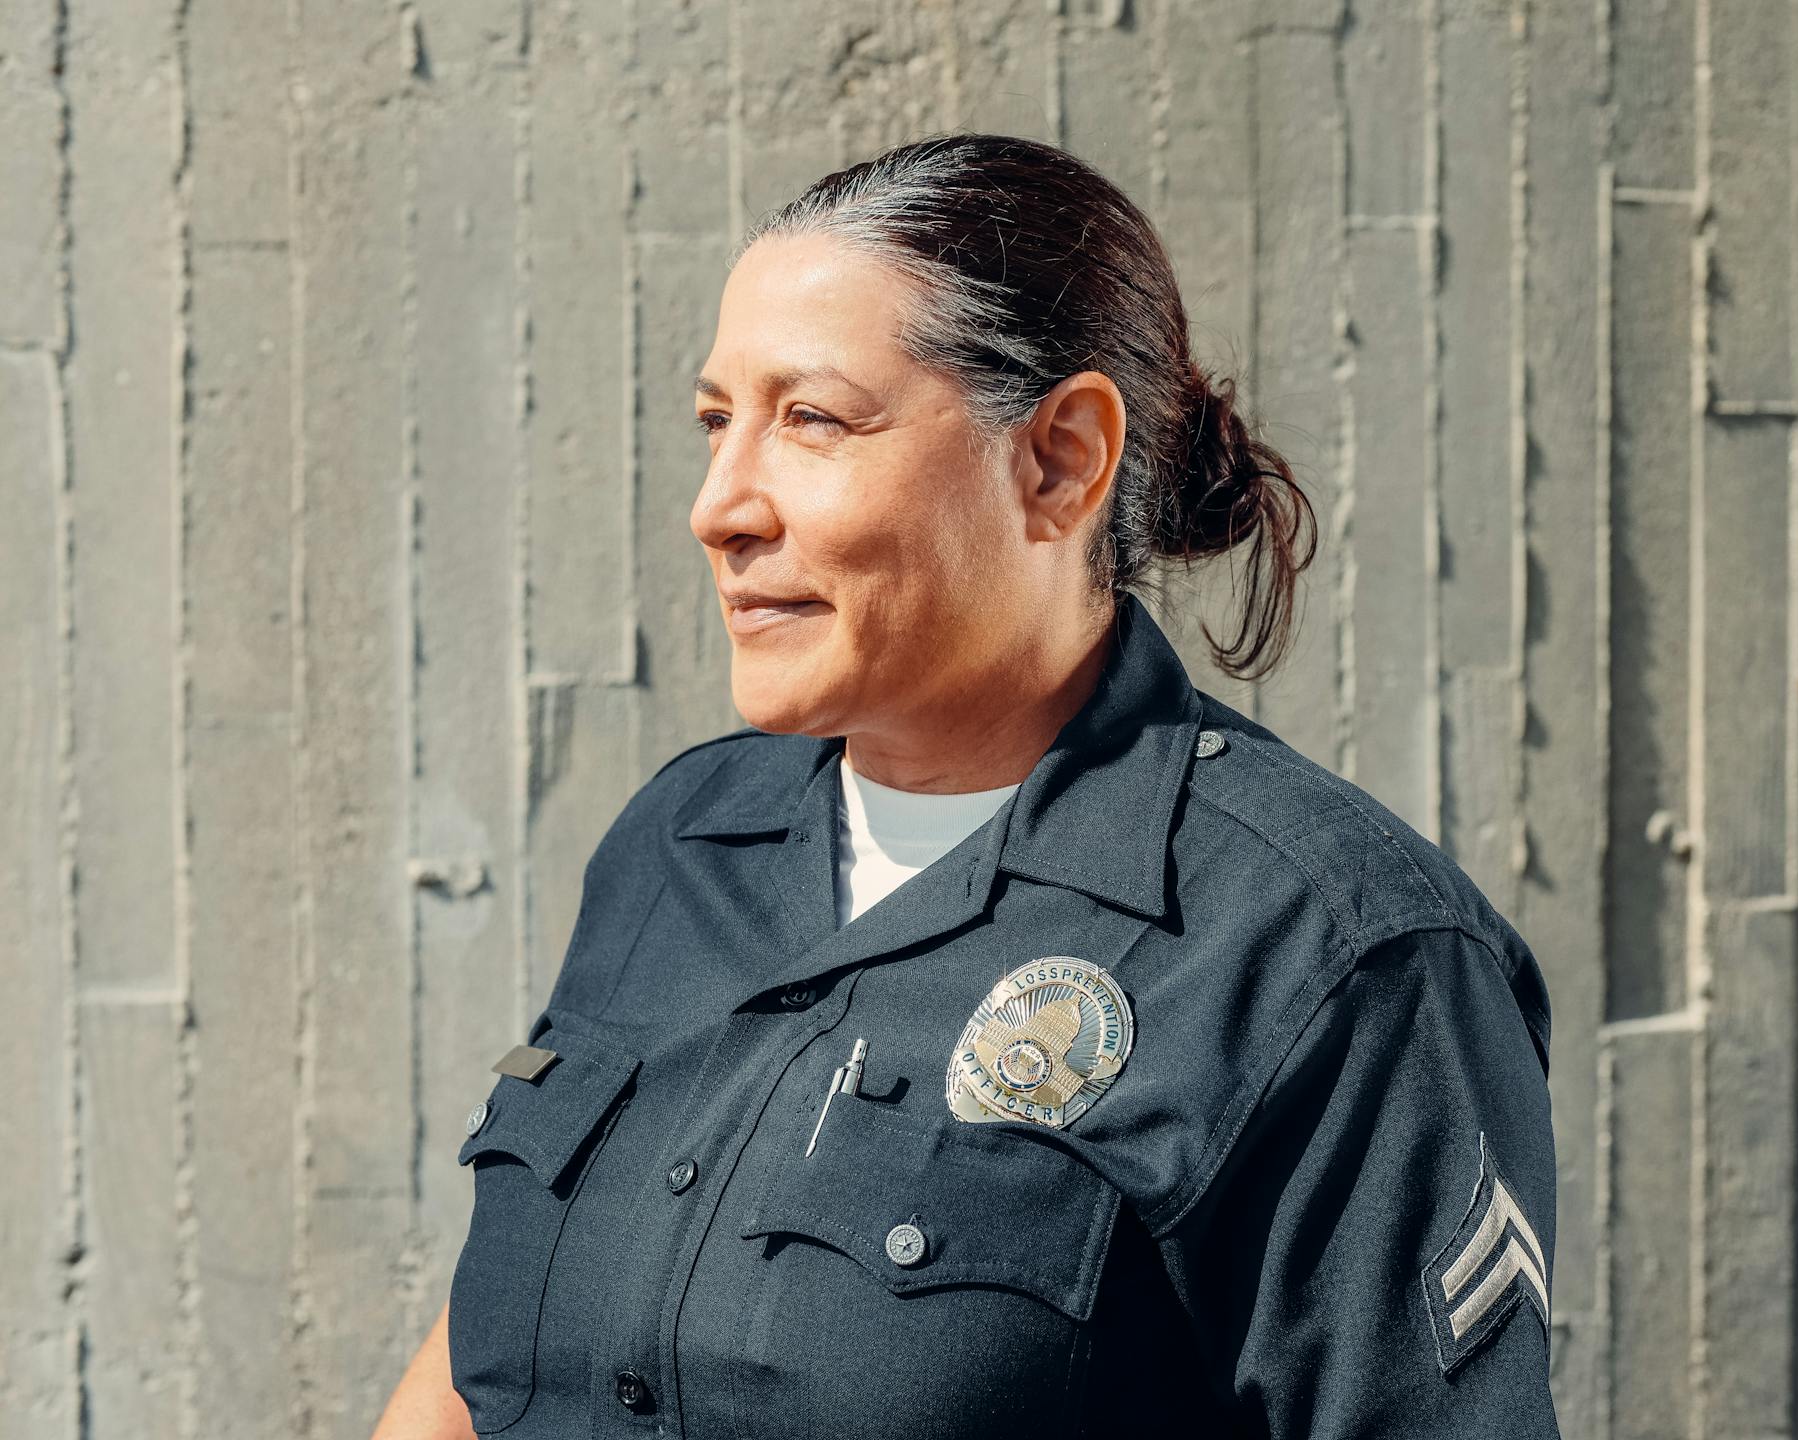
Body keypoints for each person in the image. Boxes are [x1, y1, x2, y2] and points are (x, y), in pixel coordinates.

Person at [371, 131, 1560, 1439]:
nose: (722, 503)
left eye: (812, 419)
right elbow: (482, 1365)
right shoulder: (682, 839)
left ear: (1058, 460)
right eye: (720, 421)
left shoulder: (1331, 957)